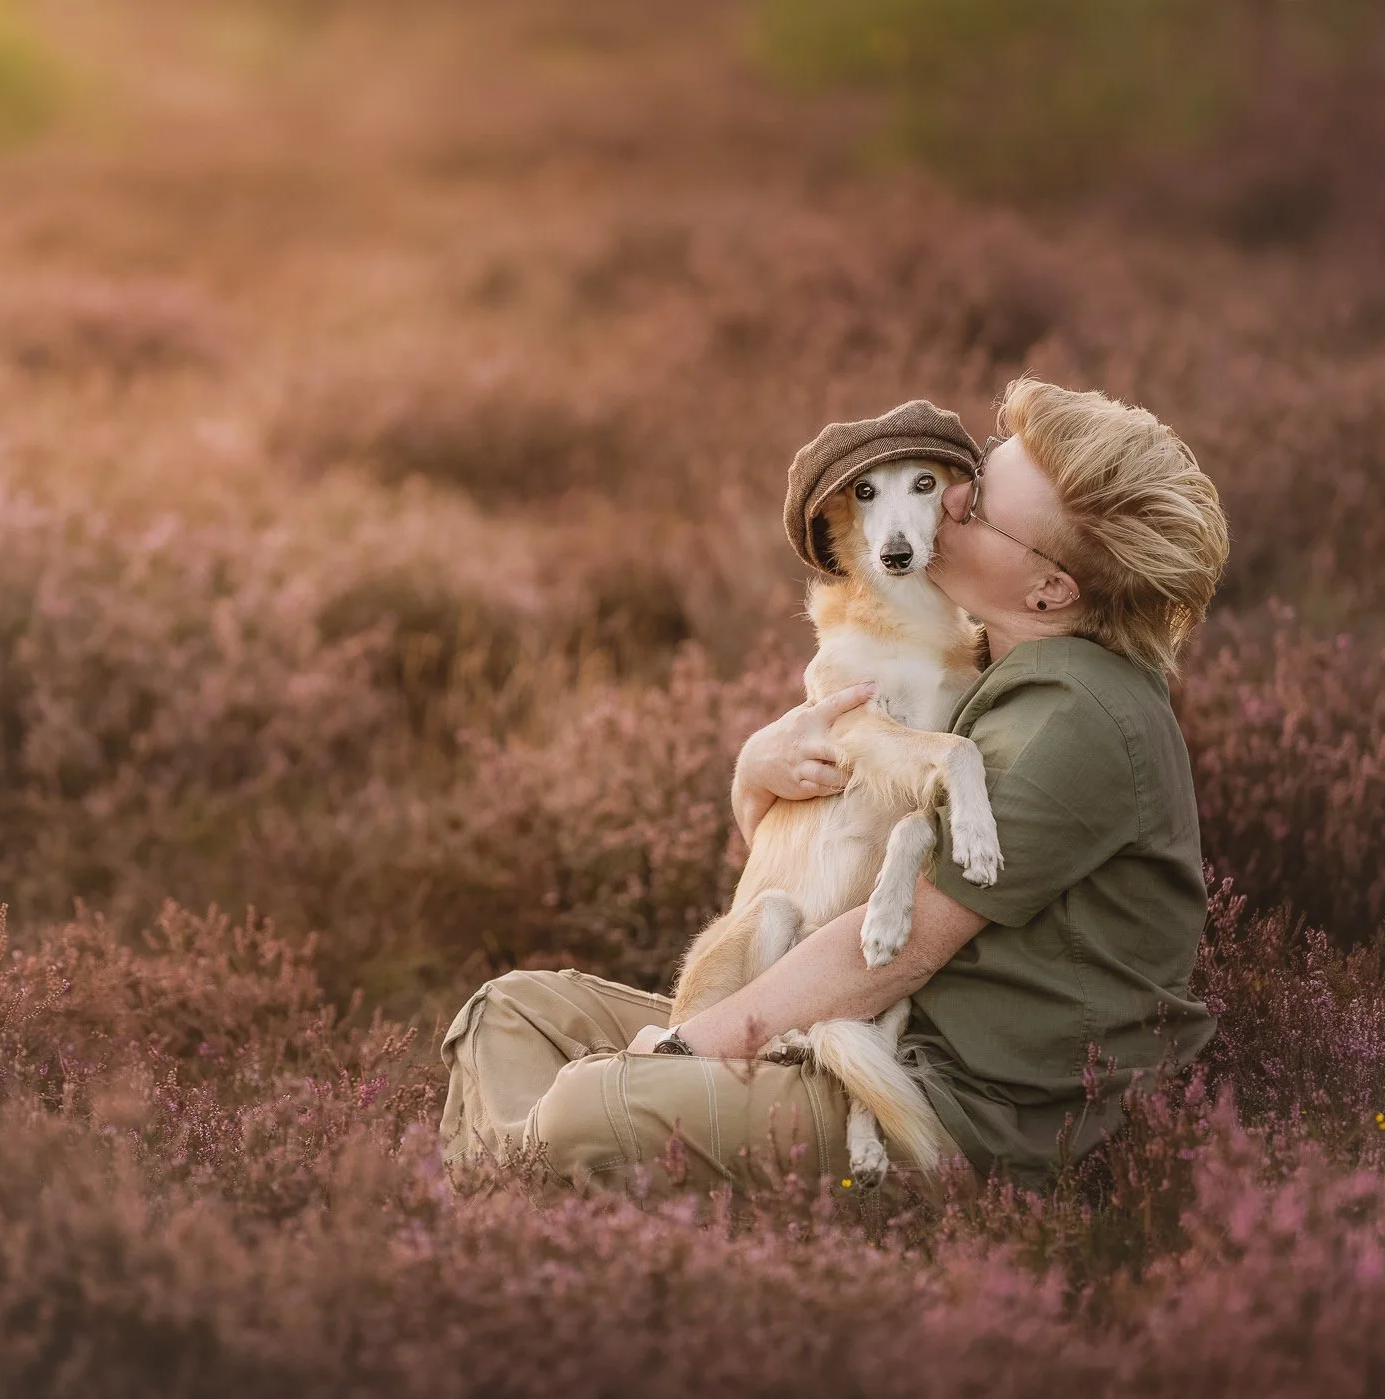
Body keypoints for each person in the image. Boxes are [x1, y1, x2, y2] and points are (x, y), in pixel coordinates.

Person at [439, 378, 1231, 1193]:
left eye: (982, 504)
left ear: (1051, 589)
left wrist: (684, 1048)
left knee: (583, 1111)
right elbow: (822, 857)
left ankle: (504, 1216)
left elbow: (893, 951)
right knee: (514, 1009)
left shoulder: (1073, 719)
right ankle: (519, 1215)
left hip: (955, 1109)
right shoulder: (993, 663)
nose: (950, 498)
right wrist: (757, 773)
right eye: (980, 469)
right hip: (844, 1030)